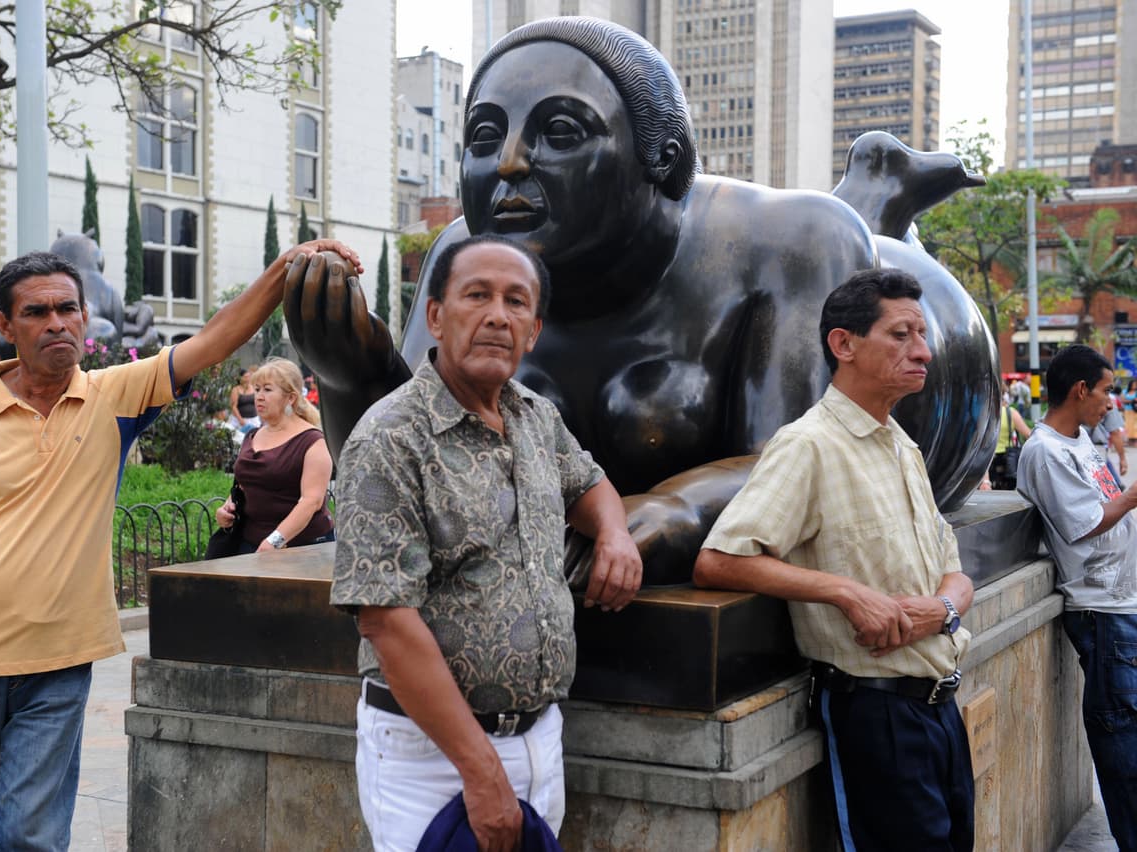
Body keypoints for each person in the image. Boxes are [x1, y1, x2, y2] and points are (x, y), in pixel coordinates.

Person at [285, 17, 997, 586]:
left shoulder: (793, 238)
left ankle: (880, 193)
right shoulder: (467, 254)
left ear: (664, 159)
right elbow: (404, 474)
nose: (509, 162)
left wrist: (672, 510)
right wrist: (351, 377)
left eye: (560, 131)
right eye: (484, 135)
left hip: (935, 357)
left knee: (866, 240)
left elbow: (798, 464)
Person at [0, 240, 361, 849]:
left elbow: (213, 340)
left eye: (67, 309)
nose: (56, 323)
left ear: (85, 316)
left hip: (57, 658)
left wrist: (285, 267)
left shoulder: (114, 396)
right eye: (36, 312)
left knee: (29, 834)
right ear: (5, 324)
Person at [329, 234, 642, 851]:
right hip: (432, 756)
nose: (498, 315)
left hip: (539, 737)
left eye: (516, 301)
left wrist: (614, 533)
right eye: (477, 295)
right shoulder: (390, 437)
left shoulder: (535, 416)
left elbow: (590, 483)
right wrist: (481, 774)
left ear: (533, 330)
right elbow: (386, 619)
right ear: (436, 316)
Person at [694, 268, 976, 852]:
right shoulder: (808, 444)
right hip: (875, 711)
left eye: (922, 335)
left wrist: (943, 609)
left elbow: (956, 570)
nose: (922, 352)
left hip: (943, 706)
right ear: (844, 344)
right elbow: (720, 560)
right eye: (900, 334)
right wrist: (846, 592)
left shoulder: (904, 447)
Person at [1017, 344, 1137, 852]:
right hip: (1102, 613)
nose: (1111, 402)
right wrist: (1131, 496)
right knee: (1125, 750)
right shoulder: (1045, 451)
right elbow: (1083, 523)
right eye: (1106, 391)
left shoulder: (1082, 441)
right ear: (1080, 390)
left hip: (1123, 606)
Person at [214, 357, 334, 554]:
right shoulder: (252, 436)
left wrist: (275, 540)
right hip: (251, 545)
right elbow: (244, 485)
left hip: (303, 549)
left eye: (267, 390)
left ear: (291, 398)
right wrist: (227, 509)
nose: (259, 396)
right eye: (257, 389)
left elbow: (312, 501)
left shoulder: (313, 441)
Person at [987, 394, 1031, 490]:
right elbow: (1028, 435)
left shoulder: (986, 413)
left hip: (989, 459)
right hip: (1008, 459)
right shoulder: (1011, 413)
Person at [1090, 390, 1129, 487]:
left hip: (1097, 449)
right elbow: (1115, 433)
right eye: (1107, 389)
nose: (1110, 406)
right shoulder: (1106, 402)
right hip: (1097, 448)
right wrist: (1122, 459)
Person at [228, 366, 259, 432]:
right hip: (240, 419)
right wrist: (241, 420)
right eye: (245, 377)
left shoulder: (253, 387)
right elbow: (233, 406)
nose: (248, 379)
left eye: (249, 376)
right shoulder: (236, 389)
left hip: (254, 418)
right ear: (240, 378)